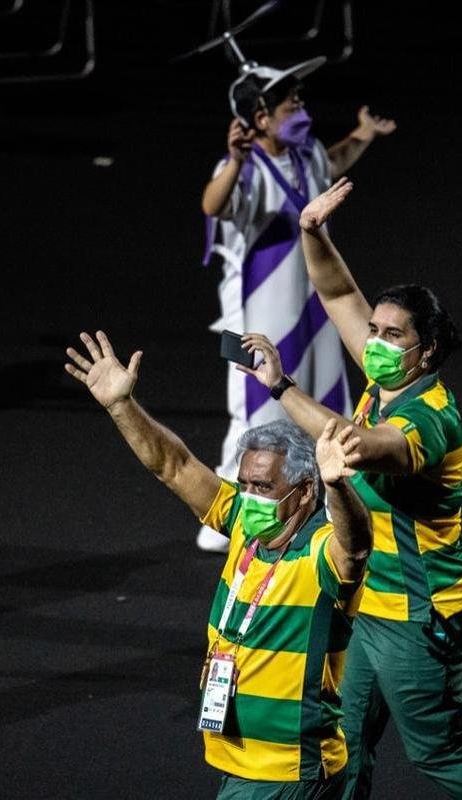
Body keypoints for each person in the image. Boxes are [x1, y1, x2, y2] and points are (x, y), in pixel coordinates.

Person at [233, 179, 462, 798]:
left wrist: (283, 388)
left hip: (421, 613)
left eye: (393, 336)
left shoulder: (429, 417)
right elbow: (337, 290)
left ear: (425, 354)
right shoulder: (383, 385)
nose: (375, 341)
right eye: (375, 330)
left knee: (445, 753)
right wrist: (312, 231)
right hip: (369, 603)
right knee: (340, 739)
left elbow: (356, 446)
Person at [64, 329, 374, 799]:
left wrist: (339, 487)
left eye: (263, 488)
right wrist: (121, 407)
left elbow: (356, 547)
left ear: (305, 491)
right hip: (240, 761)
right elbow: (175, 465)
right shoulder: (247, 531)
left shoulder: (321, 554)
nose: (248, 498)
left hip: (286, 773)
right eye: (244, 483)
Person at [196, 56, 397, 554]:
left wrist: (363, 134)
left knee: (325, 394)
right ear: (260, 117)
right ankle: (230, 509)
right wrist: (237, 160)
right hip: (263, 303)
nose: (300, 108)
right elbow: (213, 205)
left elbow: (334, 161)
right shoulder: (243, 166)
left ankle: (336, 495)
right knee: (257, 404)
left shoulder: (306, 153)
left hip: (314, 300)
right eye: (291, 103)